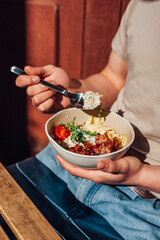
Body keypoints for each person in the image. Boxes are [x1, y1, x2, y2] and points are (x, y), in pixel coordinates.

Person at [11, 0, 160, 239]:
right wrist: (71, 91)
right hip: (71, 162)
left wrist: (141, 175)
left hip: (145, 209)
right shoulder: (145, 4)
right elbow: (113, 79)